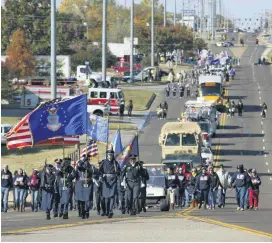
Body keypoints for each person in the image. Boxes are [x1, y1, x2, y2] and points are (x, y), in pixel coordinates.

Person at [99, 150, 121, 218]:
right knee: (106, 197)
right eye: (109, 154)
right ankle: (107, 210)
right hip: (106, 181)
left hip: (113, 180)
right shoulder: (103, 162)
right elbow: (100, 171)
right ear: (107, 155)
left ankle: (111, 210)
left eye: (111, 154)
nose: (110, 156)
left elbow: (119, 171)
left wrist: (117, 176)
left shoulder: (115, 163)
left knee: (112, 196)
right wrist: (101, 176)